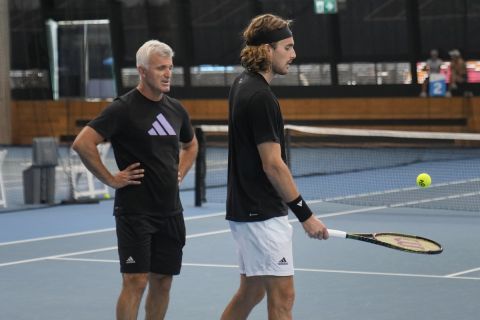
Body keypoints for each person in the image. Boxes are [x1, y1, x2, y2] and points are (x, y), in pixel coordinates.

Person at [72, 40, 198, 320]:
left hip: (171, 212)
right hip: (135, 213)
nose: (167, 74)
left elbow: (191, 145)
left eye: (170, 68)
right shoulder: (122, 109)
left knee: (163, 281)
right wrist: (111, 179)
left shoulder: (176, 109)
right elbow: (83, 143)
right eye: (160, 68)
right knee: (136, 281)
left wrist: (181, 171)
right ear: (142, 71)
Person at [221, 14, 329, 320]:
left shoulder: (242, 84)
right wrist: (306, 216)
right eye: (288, 47)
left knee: (252, 291)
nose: (293, 55)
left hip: (246, 210)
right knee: (283, 297)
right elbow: (273, 165)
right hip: (261, 214)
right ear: (268, 50)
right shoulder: (260, 96)